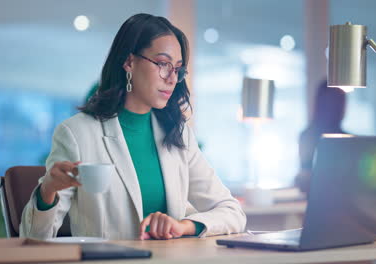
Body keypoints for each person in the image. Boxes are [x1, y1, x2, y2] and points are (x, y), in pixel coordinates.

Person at [20, 13, 246, 240]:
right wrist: (48, 190)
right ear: (129, 62)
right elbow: (32, 238)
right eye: (163, 64)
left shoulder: (178, 135)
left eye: (177, 69)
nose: (171, 78)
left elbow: (232, 212)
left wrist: (184, 226)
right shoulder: (76, 134)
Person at [294, 80, 348, 193]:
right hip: (315, 197)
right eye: (337, 101)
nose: (342, 107)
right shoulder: (308, 136)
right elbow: (306, 173)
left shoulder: (349, 138)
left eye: (343, 102)